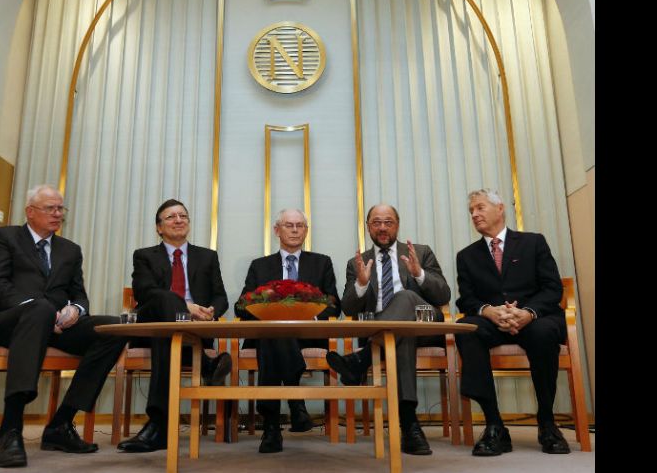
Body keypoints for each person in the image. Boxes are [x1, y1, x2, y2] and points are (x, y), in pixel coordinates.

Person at [0, 184, 128, 468]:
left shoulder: (70, 250)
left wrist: (74, 310)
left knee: (114, 328)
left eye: (61, 209)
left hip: (55, 325)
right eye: (51, 208)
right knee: (40, 308)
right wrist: (38, 309)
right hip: (7, 321)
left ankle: (61, 423)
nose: (58, 214)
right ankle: (10, 429)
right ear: (30, 212)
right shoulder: (4, 237)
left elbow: (79, 294)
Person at [325, 204, 450, 455]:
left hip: (424, 323)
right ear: (368, 226)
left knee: (404, 298)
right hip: (390, 331)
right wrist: (361, 284)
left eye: (388, 222)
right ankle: (409, 423)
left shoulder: (420, 253)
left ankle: (361, 358)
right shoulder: (357, 262)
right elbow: (348, 308)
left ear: (397, 224)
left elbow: (443, 294)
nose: (382, 227)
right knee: (399, 335)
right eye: (376, 222)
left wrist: (419, 274)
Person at [454, 189, 570, 456]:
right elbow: (467, 299)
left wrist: (528, 312)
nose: (474, 214)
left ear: (500, 208)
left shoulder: (534, 242)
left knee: (544, 332)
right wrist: (488, 311)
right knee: (467, 330)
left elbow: (552, 289)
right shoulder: (466, 256)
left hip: (534, 319)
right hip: (492, 323)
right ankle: (495, 425)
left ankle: (547, 422)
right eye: (471, 211)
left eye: (480, 208)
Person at [117, 199, 232, 453]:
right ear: (159, 227)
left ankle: (158, 423)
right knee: (164, 301)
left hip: (194, 329)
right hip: (151, 325)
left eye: (183, 216)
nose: (178, 220)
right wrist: (187, 306)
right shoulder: (144, 255)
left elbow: (220, 296)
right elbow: (144, 292)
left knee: (167, 333)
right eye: (171, 217)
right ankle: (208, 363)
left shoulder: (207, 256)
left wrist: (211, 312)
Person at [234, 209, 342, 453]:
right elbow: (241, 306)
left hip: (308, 336)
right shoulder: (259, 266)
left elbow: (334, 303)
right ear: (276, 230)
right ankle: (295, 402)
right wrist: (271, 312)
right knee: (275, 332)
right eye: (289, 225)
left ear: (306, 230)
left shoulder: (321, 262)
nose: (294, 230)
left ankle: (272, 427)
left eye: (300, 225)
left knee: (276, 336)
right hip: (266, 338)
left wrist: (308, 315)